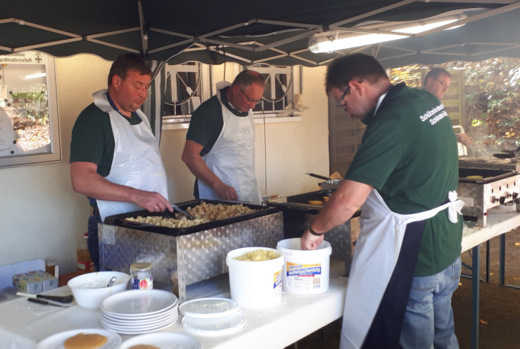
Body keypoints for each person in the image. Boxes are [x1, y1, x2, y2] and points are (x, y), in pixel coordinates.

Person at [301, 53, 464, 349]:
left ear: (356, 86)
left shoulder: (389, 124)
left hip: (415, 254)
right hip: (447, 245)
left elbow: (347, 202)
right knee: (444, 336)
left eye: (342, 102)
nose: (346, 112)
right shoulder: (424, 100)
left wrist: (314, 230)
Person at [70, 53, 172, 271]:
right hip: (114, 227)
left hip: (150, 224)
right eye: (137, 86)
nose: (143, 94)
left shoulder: (139, 117)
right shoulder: (94, 119)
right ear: (116, 81)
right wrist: (136, 195)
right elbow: (81, 180)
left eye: (146, 87)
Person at [181, 70, 265, 204]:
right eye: (250, 100)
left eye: (257, 101)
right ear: (236, 89)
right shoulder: (209, 112)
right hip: (215, 197)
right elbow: (189, 156)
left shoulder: (245, 109)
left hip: (248, 190)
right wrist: (217, 184)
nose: (252, 107)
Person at [424, 68, 471, 147]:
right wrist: (453, 136)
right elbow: (422, 135)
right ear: (430, 81)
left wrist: (454, 136)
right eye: (442, 84)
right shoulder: (417, 105)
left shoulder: (436, 106)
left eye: (447, 87)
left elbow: (437, 133)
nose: (445, 89)